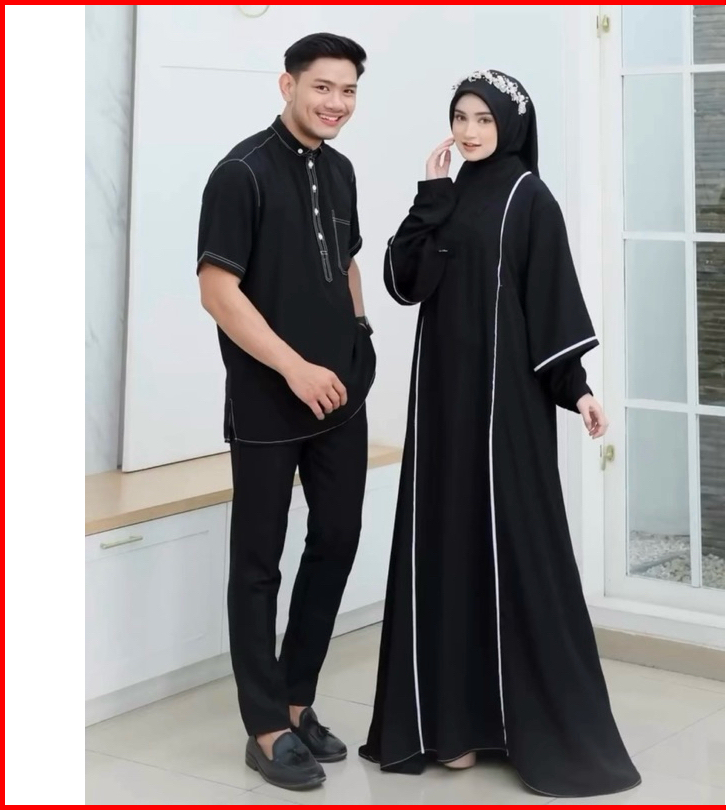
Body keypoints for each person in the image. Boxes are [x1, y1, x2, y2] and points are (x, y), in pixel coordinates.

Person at [359, 70, 641, 798]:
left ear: (511, 124)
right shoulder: (448, 194)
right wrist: (428, 197)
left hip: (504, 410)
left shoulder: (529, 198)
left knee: (512, 547)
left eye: (483, 118)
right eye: (460, 116)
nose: (469, 130)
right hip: (441, 407)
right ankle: (451, 727)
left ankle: (520, 725)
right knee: (445, 548)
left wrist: (576, 389)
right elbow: (403, 283)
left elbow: (550, 303)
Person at [196, 33, 375, 792]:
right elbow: (217, 291)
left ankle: (298, 700)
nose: (336, 103)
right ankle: (266, 726)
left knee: (337, 539)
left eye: (348, 90)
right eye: (322, 87)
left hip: (340, 397)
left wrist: (360, 335)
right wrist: (294, 368)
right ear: (287, 85)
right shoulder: (240, 174)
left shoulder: (341, 170)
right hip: (269, 399)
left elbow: (348, 260)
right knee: (258, 563)